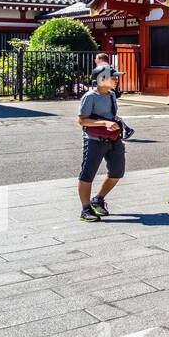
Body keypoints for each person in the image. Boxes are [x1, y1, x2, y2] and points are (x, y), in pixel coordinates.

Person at [76, 65, 129, 222]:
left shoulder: (112, 95)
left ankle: (98, 199)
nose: (116, 80)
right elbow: (82, 120)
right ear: (101, 79)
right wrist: (104, 123)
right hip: (94, 140)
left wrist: (120, 124)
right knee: (87, 174)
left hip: (113, 138)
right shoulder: (90, 97)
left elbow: (112, 115)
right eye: (113, 77)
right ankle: (85, 209)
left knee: (117, 172)